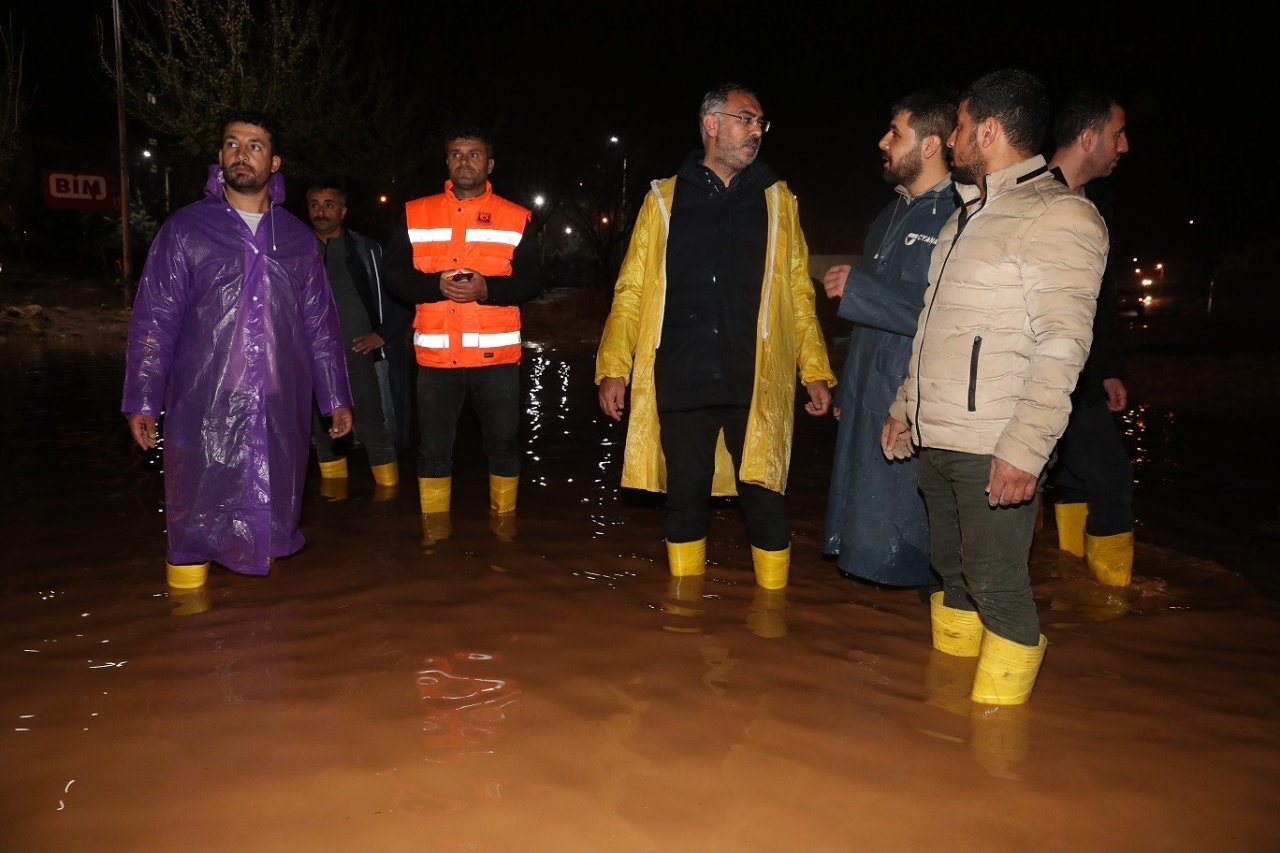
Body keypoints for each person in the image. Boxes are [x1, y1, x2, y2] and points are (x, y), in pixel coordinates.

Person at [880, 69, 1109, 704]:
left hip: (995, 441)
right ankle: (949, 717)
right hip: (940, 435)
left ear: (987, 128)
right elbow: (932, 327)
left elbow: (1064, 345)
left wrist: (1026, 448)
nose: (950, 137)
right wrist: (905, 408)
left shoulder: (1060, 216)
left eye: (956, 125)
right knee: (951, 572)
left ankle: (998, 743)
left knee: (997, 582)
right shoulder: (963, 218)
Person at [596, 82, 835, 591]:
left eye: (760, 123)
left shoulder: (778, 201)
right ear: (711, 124)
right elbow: (632, 289)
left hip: (755, 381)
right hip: (681, 376)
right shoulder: (663, 200)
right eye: (746, 119)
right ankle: (686, 612)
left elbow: (797, 291)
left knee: (765, 499)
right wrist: (614, 367)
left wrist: (814, 369)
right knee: (685, 498)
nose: (756, 132)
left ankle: (772, 616)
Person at [122, 110, 353, 590]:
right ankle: (186, 627)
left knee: (268, 514)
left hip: (276, 403)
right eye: (231, 144)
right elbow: (154, 319)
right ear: (219, 156)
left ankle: (264, 649)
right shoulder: (186, 230)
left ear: (274, 162)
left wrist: (335, 396)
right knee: (193, 520)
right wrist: (143, 397)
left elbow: (319, 323)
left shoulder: (295, 239)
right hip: (201, 403)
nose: (241, 154)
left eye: (254, 145)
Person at [821, 89, 958, 593]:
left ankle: (944, 650)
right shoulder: (888, 216)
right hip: (870, 392)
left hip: (916, 399)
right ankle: (900, 663)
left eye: (895, 131)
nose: (882, 141)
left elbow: (946, 315)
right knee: (869, 533)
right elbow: (871, 322)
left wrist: (858, 289)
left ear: (930, 145)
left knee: (925, 548)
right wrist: (848, 389)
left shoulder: (959, 217)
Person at [384, 126, 544, 540]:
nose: (464, 161)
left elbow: (533, 280)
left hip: (498, 361)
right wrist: (433, 285)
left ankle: (504, 528)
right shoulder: (414, 213)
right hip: (436, 360)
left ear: (489, 164)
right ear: (447, 162)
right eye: (455, 154)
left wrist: (488, 289)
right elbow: (394, 274)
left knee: (504, 447)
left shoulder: (516, 216)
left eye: (473, 154)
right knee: (433, 451)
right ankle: (433, 536)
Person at [1044, 91, 1135, 587]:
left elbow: (1101, 297)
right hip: (1042, 373)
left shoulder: (1094, 203)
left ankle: (1072, 579)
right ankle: (1112, 603)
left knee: (1075, 479)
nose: (1124, 145)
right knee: (1112, 481)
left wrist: (1111, 366)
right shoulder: (1031, 194)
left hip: (1084, 377)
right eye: (1117, 133)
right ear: (1088, 137)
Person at [306, 181, 412, 497]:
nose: (320, 211)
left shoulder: (369, 251)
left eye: (328, 204)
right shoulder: (295, 252)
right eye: (314, 204)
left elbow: (407, 296)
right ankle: (337, 512)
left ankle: (390, 506)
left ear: (343, 211)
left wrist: (382, 334)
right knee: (323, 432)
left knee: (373, 426)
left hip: (358, 354)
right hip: (311, 358)